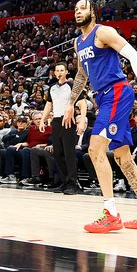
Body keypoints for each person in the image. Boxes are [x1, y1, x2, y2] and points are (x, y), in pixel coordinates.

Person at [67, 0, 137, 233]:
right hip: (103, 98)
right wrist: (70, 103)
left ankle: (110, 214)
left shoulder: (104, 32)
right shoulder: (78, 42)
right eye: (76, 9)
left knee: (94, 149)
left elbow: (134, 55)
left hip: (117, 92)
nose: (78, 12)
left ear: (93, 12)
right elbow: (81, 75)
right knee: (123, 159)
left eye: (83, 8)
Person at [40, 62, 86, 194]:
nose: (59, 72)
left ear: (66, 72)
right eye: (57, 70)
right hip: (56, 121)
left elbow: (82, 104)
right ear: (54, 73)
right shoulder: (52, 88)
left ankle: (73, 184)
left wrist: (81, 121)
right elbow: (49, 105)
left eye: (62, 70)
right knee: (58, 153)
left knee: (68, 153)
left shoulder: (72, 85)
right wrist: (43, 120)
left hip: (69, 121)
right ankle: (64, 182)